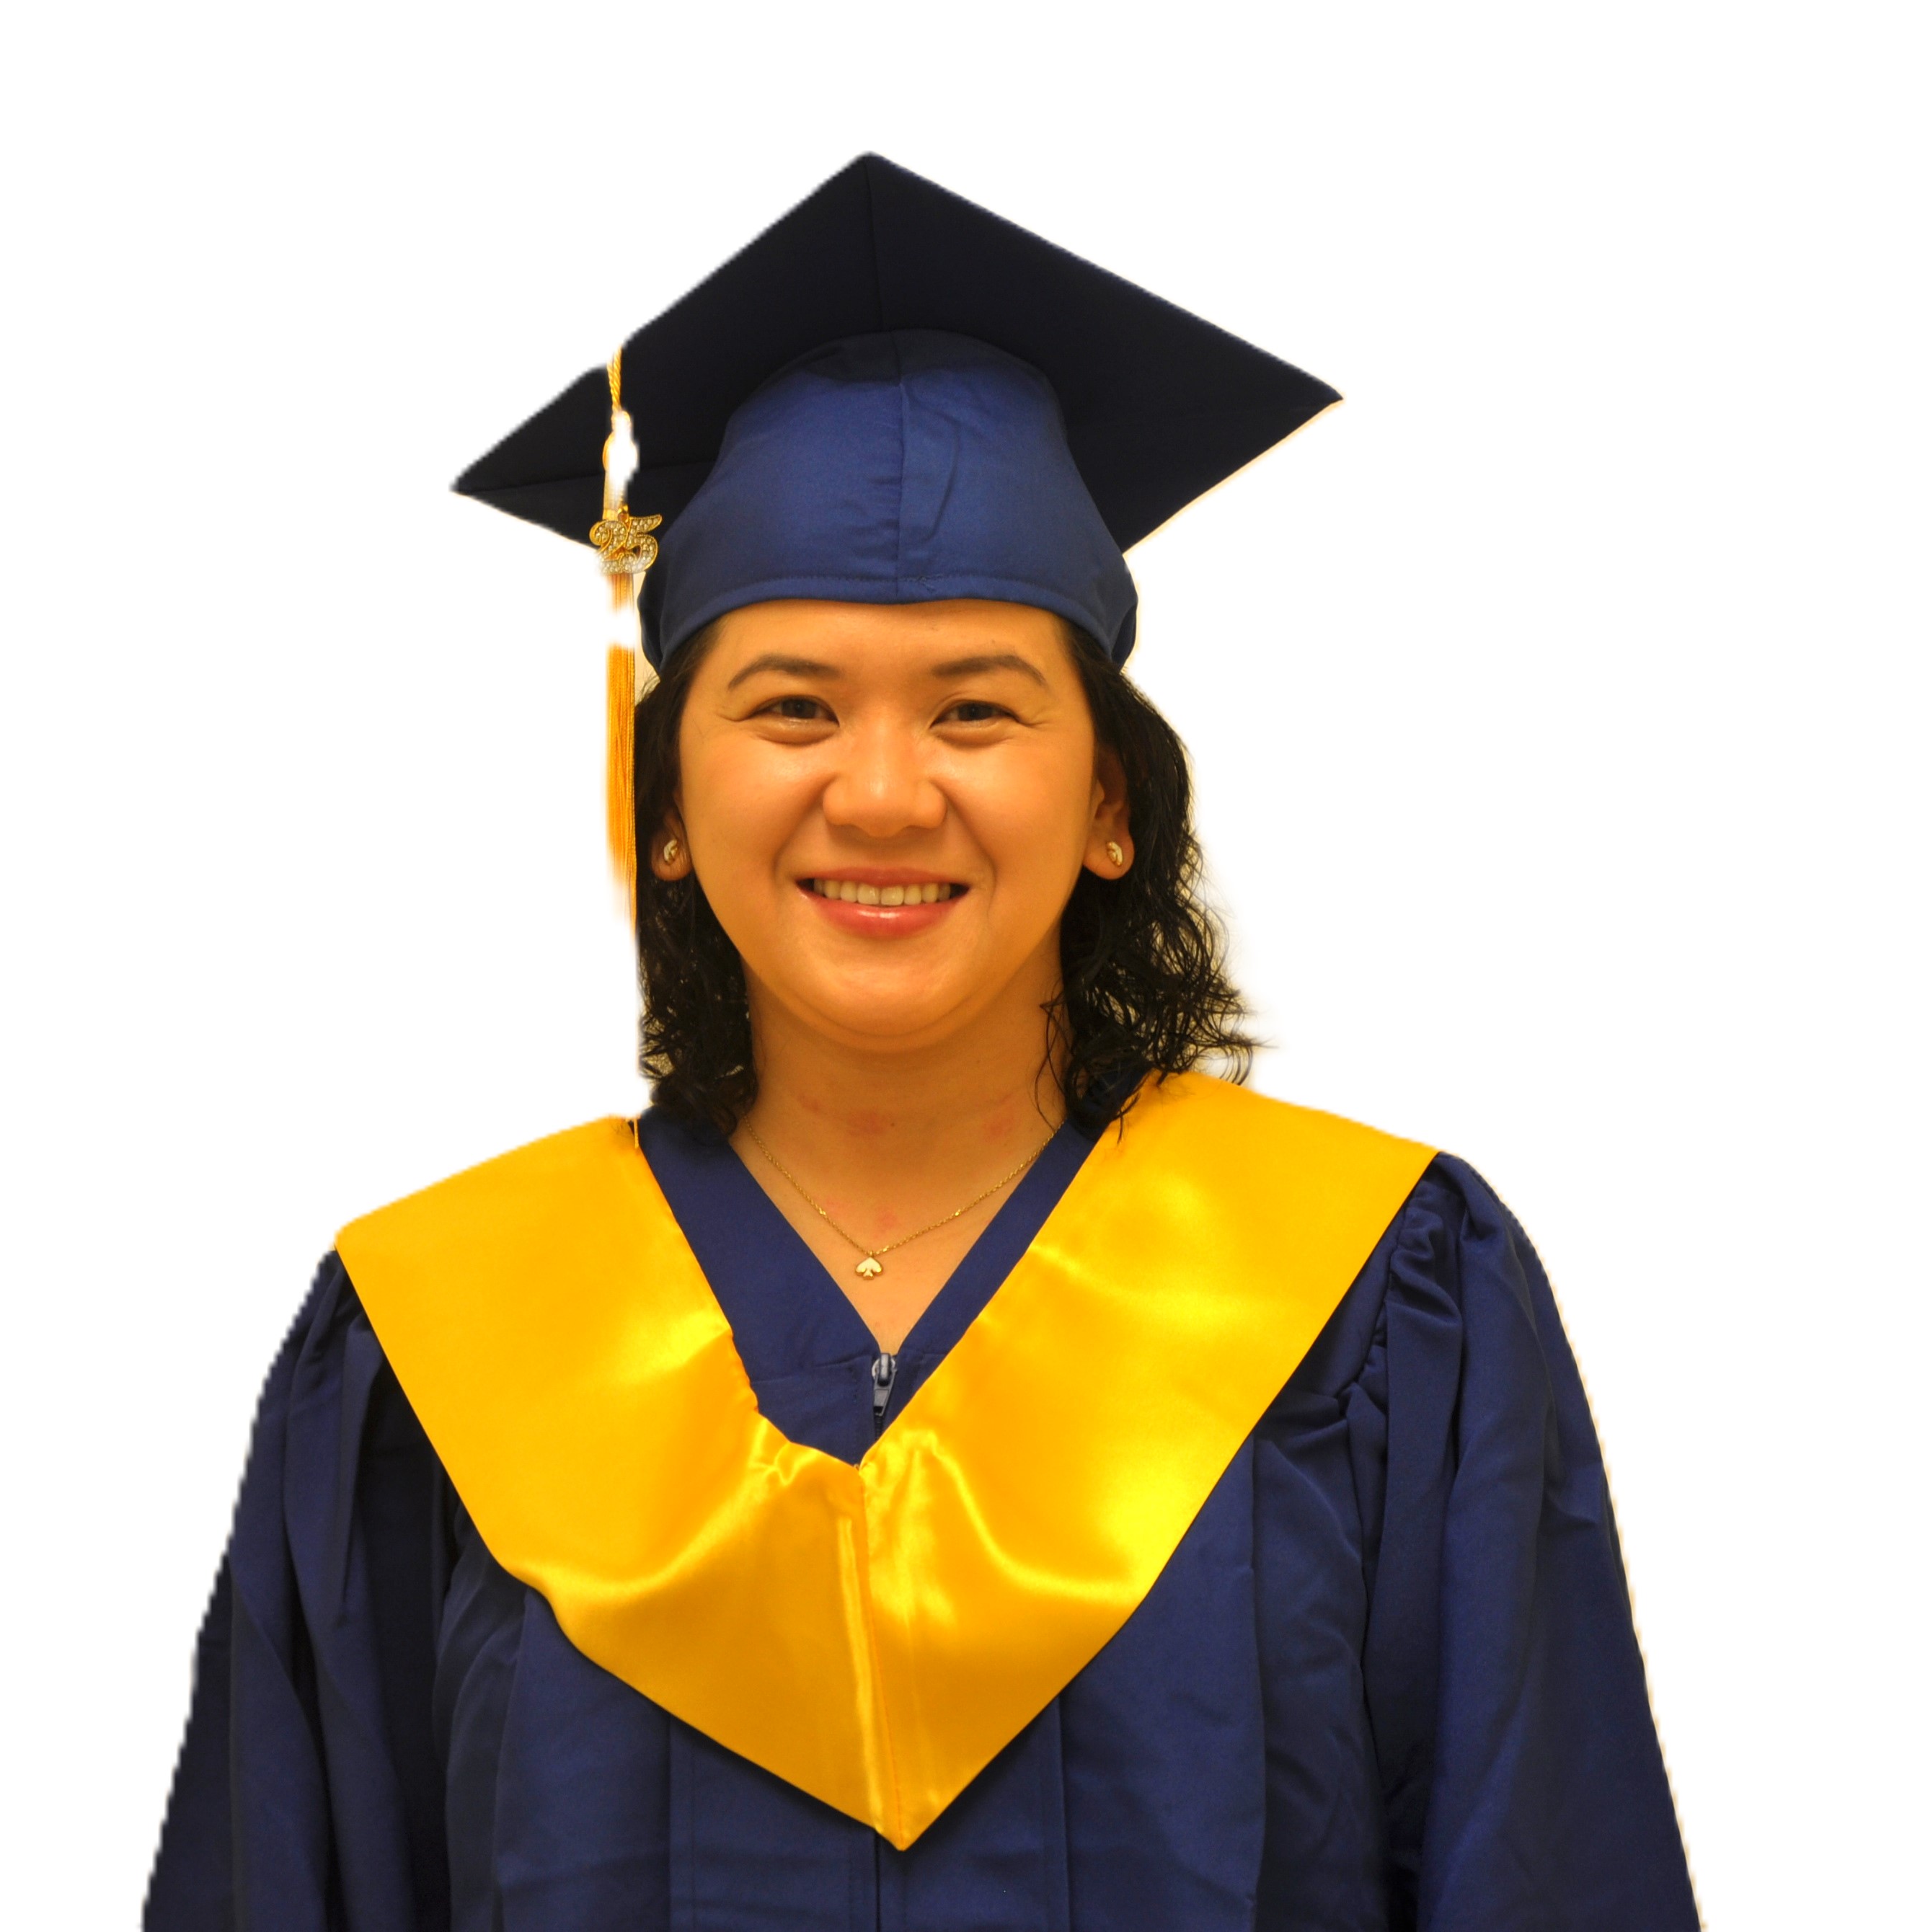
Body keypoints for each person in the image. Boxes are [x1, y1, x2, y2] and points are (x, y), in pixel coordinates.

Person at [146, 156, 1699, 1931]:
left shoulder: (1379, 1302)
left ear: (1108, 802)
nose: (881, 793)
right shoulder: (435, 1337)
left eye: (975, 709)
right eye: (789, 706)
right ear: (668, 808)